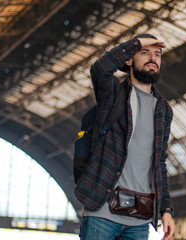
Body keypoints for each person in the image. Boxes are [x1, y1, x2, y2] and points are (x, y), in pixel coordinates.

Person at [74, 33, 175, 240]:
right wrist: (135, 43)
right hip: (101, 213)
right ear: (128, 60)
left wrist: (166, 210)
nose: (152, 58)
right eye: (144, 53)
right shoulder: (113, 95)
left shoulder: (164, 110)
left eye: (157, 54)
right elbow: (100, 69)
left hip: (139, 220)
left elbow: (160, 163)